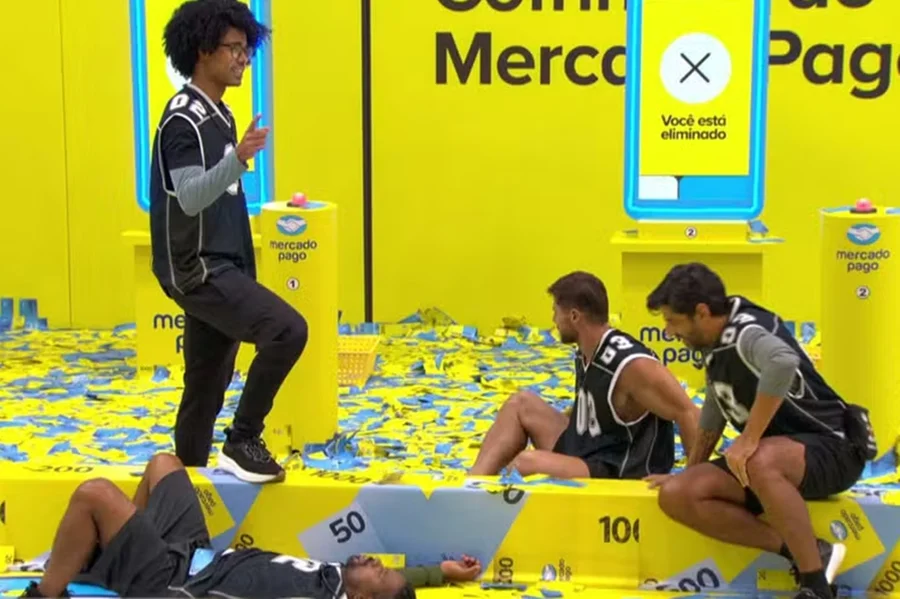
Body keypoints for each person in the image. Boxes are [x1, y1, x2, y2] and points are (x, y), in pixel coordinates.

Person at [643, 263, 877, 599]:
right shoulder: (714, 340)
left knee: (756, 459)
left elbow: (783, 362)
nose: (668, 331)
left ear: (701, 312)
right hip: (775, 461)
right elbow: (717, 403)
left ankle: (816, 586)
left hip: (834, 449)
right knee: (678, 494)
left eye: (672, 320)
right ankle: (806, 550)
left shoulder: (746, 331)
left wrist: (749, 437)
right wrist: (691, 469)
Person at [149, 0, 309, 483]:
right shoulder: (183, 119)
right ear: (203, 51)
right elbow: (191, 196)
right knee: (287, 331)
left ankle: (186, 482)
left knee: (206, 384)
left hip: (222, 264)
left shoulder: (218, 114)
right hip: (198, 268)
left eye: (246, 49)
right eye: (234, 48)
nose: (243, 59)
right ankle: (243, 439)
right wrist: (238, 159)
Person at [19, 453, 482, 599]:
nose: (377, 562)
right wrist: (440, 572)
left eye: (378, 572)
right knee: (164, 465)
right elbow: (399, 584)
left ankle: (45, 595)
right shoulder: (338, 578)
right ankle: (109, 557)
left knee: (96, 494)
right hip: (194, 552)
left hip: (174, 582)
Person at [469, 271, 700, 479]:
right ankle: (470, 485)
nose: (553, 321)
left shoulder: (631, 363)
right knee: (520, 404)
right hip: (590, 447)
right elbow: (597, 406)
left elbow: (689, 412)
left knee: (526, 463)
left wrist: (691, 481)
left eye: (555, 312)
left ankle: (487, 504)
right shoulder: (587, 350)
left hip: (617, 468)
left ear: (574, 316)